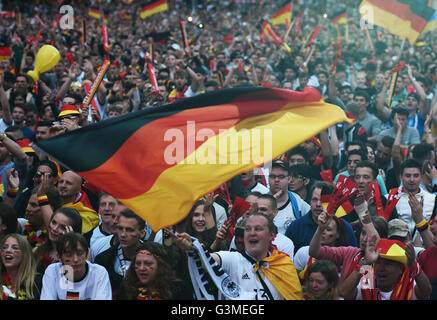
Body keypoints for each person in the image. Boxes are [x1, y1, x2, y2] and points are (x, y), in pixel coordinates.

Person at [176, 213, 304, 300]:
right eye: (248, 229)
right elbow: (207, 260)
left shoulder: (283, 264)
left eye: (258, 229)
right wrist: (192, 248)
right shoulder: (233, 259)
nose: (251, 233)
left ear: (272, 235)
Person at [341, 237, 432, 300]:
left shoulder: (408, 284)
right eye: (378, 262)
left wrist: (414, 265)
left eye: (388, 264)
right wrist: (363, 264)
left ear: (401, 269)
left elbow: (426, 291)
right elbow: (344, 293)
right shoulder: (367, 281)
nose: (381, 268)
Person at [285, 181, 357, 255]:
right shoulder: (296, 227)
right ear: (309, 201)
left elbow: (353, 257)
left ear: (333, 202)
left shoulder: (344, 227)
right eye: (315, 200)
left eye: (323, 200)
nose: (318, 204)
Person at [40, 232, 112, 300]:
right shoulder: (52, 271)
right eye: (69, 255)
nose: (75, 259)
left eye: (80, 253)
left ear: (86, 254)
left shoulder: (99, 273)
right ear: (59, 258)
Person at [94, 208, 146, 298]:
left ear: (142, 233)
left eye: (129, 230)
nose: (123, 234)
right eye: (120, 228)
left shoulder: (155, 257)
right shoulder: (103, 260)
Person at [116, 242, 190, 300]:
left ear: (160, 266)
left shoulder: (177, 289)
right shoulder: (126, 288)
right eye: (138, 263)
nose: (141, 268)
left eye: (148, 264)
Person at [33, 207, 83, 274]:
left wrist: (71, 243)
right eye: (54, 222)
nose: (54, 229)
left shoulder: (82, 253)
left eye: (62, 227)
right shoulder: (37, 251)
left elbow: (75, 277)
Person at [268, 159, 310, 235]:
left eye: (281, 177)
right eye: (272, 176)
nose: (276, 180)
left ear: (289, 179)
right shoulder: (260, 201)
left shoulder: (298, 203)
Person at [0, 233, 42, 300]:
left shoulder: (36, 281)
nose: (8, 250)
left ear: (24, 255)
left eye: (15, 248)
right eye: (4, 248)